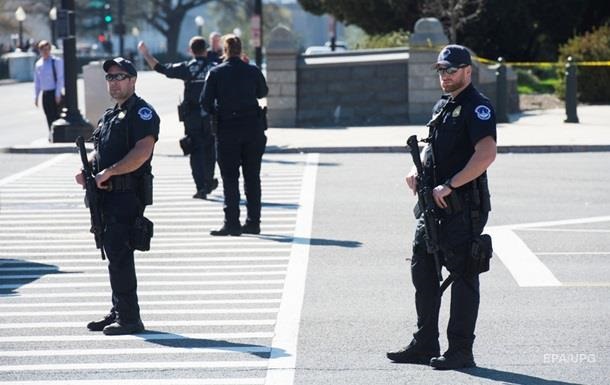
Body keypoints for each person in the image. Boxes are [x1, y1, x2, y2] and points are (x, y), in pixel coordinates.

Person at [387, 45, 497, 369]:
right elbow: (431, 147)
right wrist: (415, 169)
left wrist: (451, 184)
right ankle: (425, 343)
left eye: (451, 70)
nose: (445, 76)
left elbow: (486, 154)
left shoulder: (478, 107)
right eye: (441, 70)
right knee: (423, 271)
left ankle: (461, 350)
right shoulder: (443, 105)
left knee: (463, 277)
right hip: (433, 209)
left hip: (462, 207)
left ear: (467, 71)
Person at [75, 57, 159, 335]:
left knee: (121, 254)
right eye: (110, 78)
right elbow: (104, 151)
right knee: (113, 253)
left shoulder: (142, 113)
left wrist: (108, 173)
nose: (114, 82)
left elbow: (142, 152)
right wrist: (88, 170)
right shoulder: (110, 115)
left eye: (120, 76)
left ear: (133, 80)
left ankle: (131, 318)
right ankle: (119, 309)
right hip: (106, 196)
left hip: (126, 194)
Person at [201, 34, 268, 236]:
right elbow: (262, 92)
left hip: (227, 129)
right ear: (240, 50)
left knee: (230, 177)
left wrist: (219, 111)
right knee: (252, 177)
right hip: (253, 129)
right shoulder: (252, 71)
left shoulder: (215, 73)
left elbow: (205, 103)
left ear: (225, 50)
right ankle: (253, 222)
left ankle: (232, 223)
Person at [138, 37, 218, 199]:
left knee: (195, 150)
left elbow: (160, 68)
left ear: (191, 50)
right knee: (210, 149)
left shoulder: (187, 68)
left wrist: (146, 54)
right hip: (211, 116)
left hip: (192, 116)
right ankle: (209, 181)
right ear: (205, 49)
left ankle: (201, 186)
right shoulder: (214, 68)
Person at [34, 40, 64, 131]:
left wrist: (58, 94)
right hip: (45, 94)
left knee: (57, 115)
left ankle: (58, 134)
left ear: (50, 50)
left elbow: (60, 78)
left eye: (47, 49)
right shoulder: (38, 64)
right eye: (42, 50)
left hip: (54, 93)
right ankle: (51, 133)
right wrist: (36, 96)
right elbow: (37, 81)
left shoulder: (56, 61)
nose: (45, 52)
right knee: (48, 115)